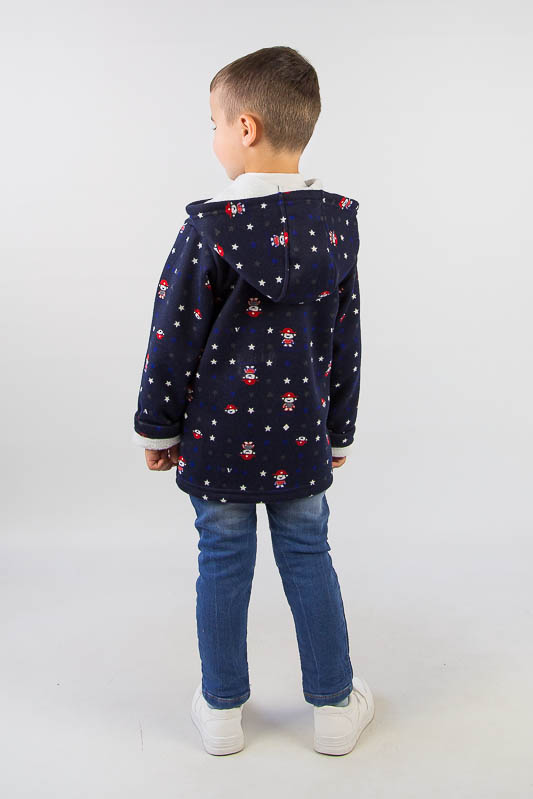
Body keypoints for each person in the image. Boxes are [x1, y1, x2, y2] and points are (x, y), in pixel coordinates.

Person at [132, 45, 374, 756]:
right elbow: (346, 340)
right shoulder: (336, 227)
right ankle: (334, 707)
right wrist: (338, 431)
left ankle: (221, 711)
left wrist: (157, 428)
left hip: (215, 439)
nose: (212, 136)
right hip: (301, 437)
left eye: (213, 123)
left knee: (222, 559)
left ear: (245, 127)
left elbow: (172, 333)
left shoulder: (210, 228)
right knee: (308, 553)